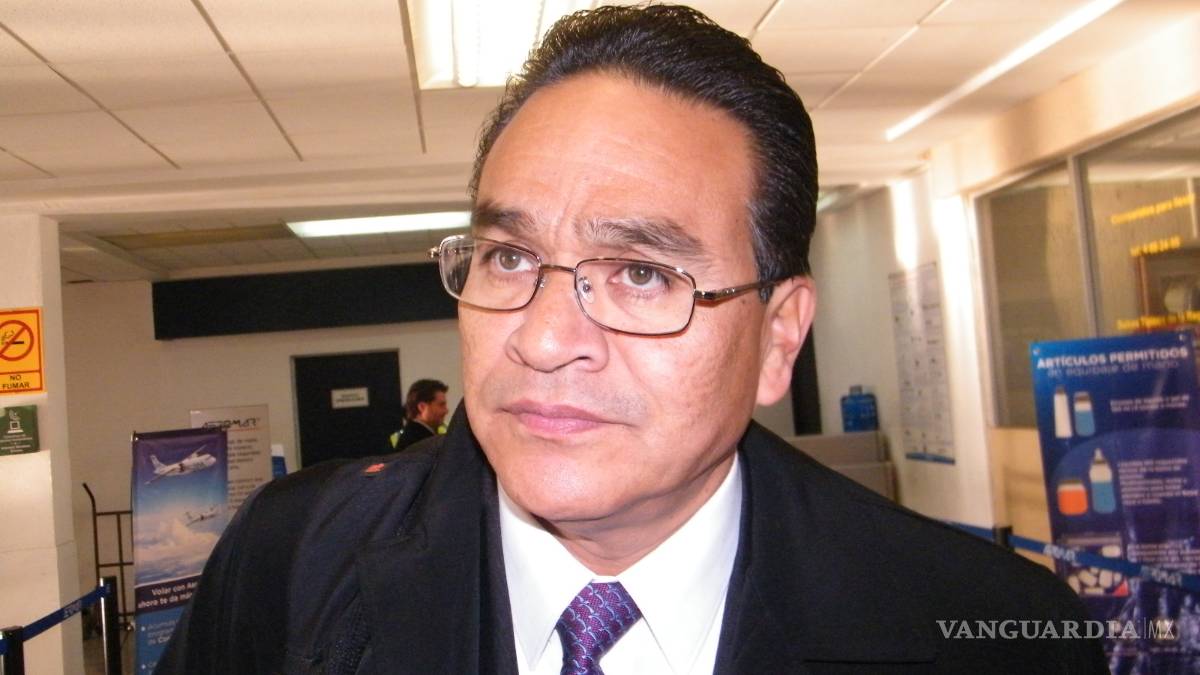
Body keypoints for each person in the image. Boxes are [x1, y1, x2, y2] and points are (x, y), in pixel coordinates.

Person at [157, 5, 1106, 674]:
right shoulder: (290, 560)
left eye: (642, 274)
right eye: (509, 257)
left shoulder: (989, 629)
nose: (543, 338)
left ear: (779, 337)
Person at [388, 378, 449, 450]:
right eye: (441, 405)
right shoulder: (420, 442)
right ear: (422, 407)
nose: (446, 411)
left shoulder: (413, 436)